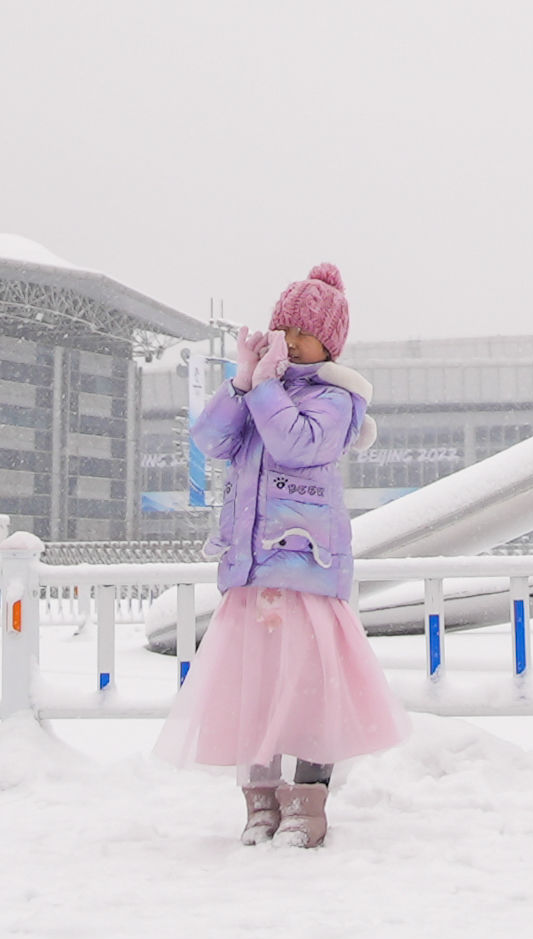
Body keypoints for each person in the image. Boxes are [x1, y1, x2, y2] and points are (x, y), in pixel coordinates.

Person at [153, 262, 402, 844]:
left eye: (302, 332)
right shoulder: (262, 385)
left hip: (307, 571)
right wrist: (241, 382)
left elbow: (295, 445)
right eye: (282, 329)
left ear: (329, 342)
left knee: (310, 691)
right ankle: (259, 803)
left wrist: (264, 387)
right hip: (251, 571)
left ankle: (306, 807)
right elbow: (211, 440)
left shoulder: (337, 401)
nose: (289, 342)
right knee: (255, 690)